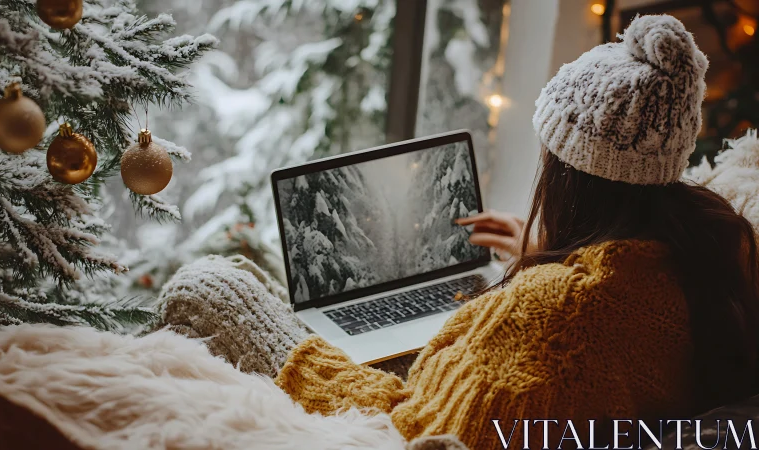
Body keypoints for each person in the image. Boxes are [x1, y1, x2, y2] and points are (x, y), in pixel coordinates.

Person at [159, 15, 759, 449]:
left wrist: (272, 337)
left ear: (570, 176)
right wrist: (546, 250)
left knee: (221, 287)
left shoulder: (554, 316)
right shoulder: (714, 246)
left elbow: (415, 427)